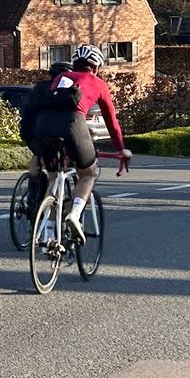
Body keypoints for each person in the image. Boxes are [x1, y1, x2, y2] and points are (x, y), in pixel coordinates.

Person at [19, 44, 130, 238]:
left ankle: (49, 235)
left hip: (43, 127)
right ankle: (75, 213)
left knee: (54, 178)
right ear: (95, 67)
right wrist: (121, 149)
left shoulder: (60, 78)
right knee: (87, 173)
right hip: (72, 125)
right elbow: (111, 121)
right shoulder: (98, 83)